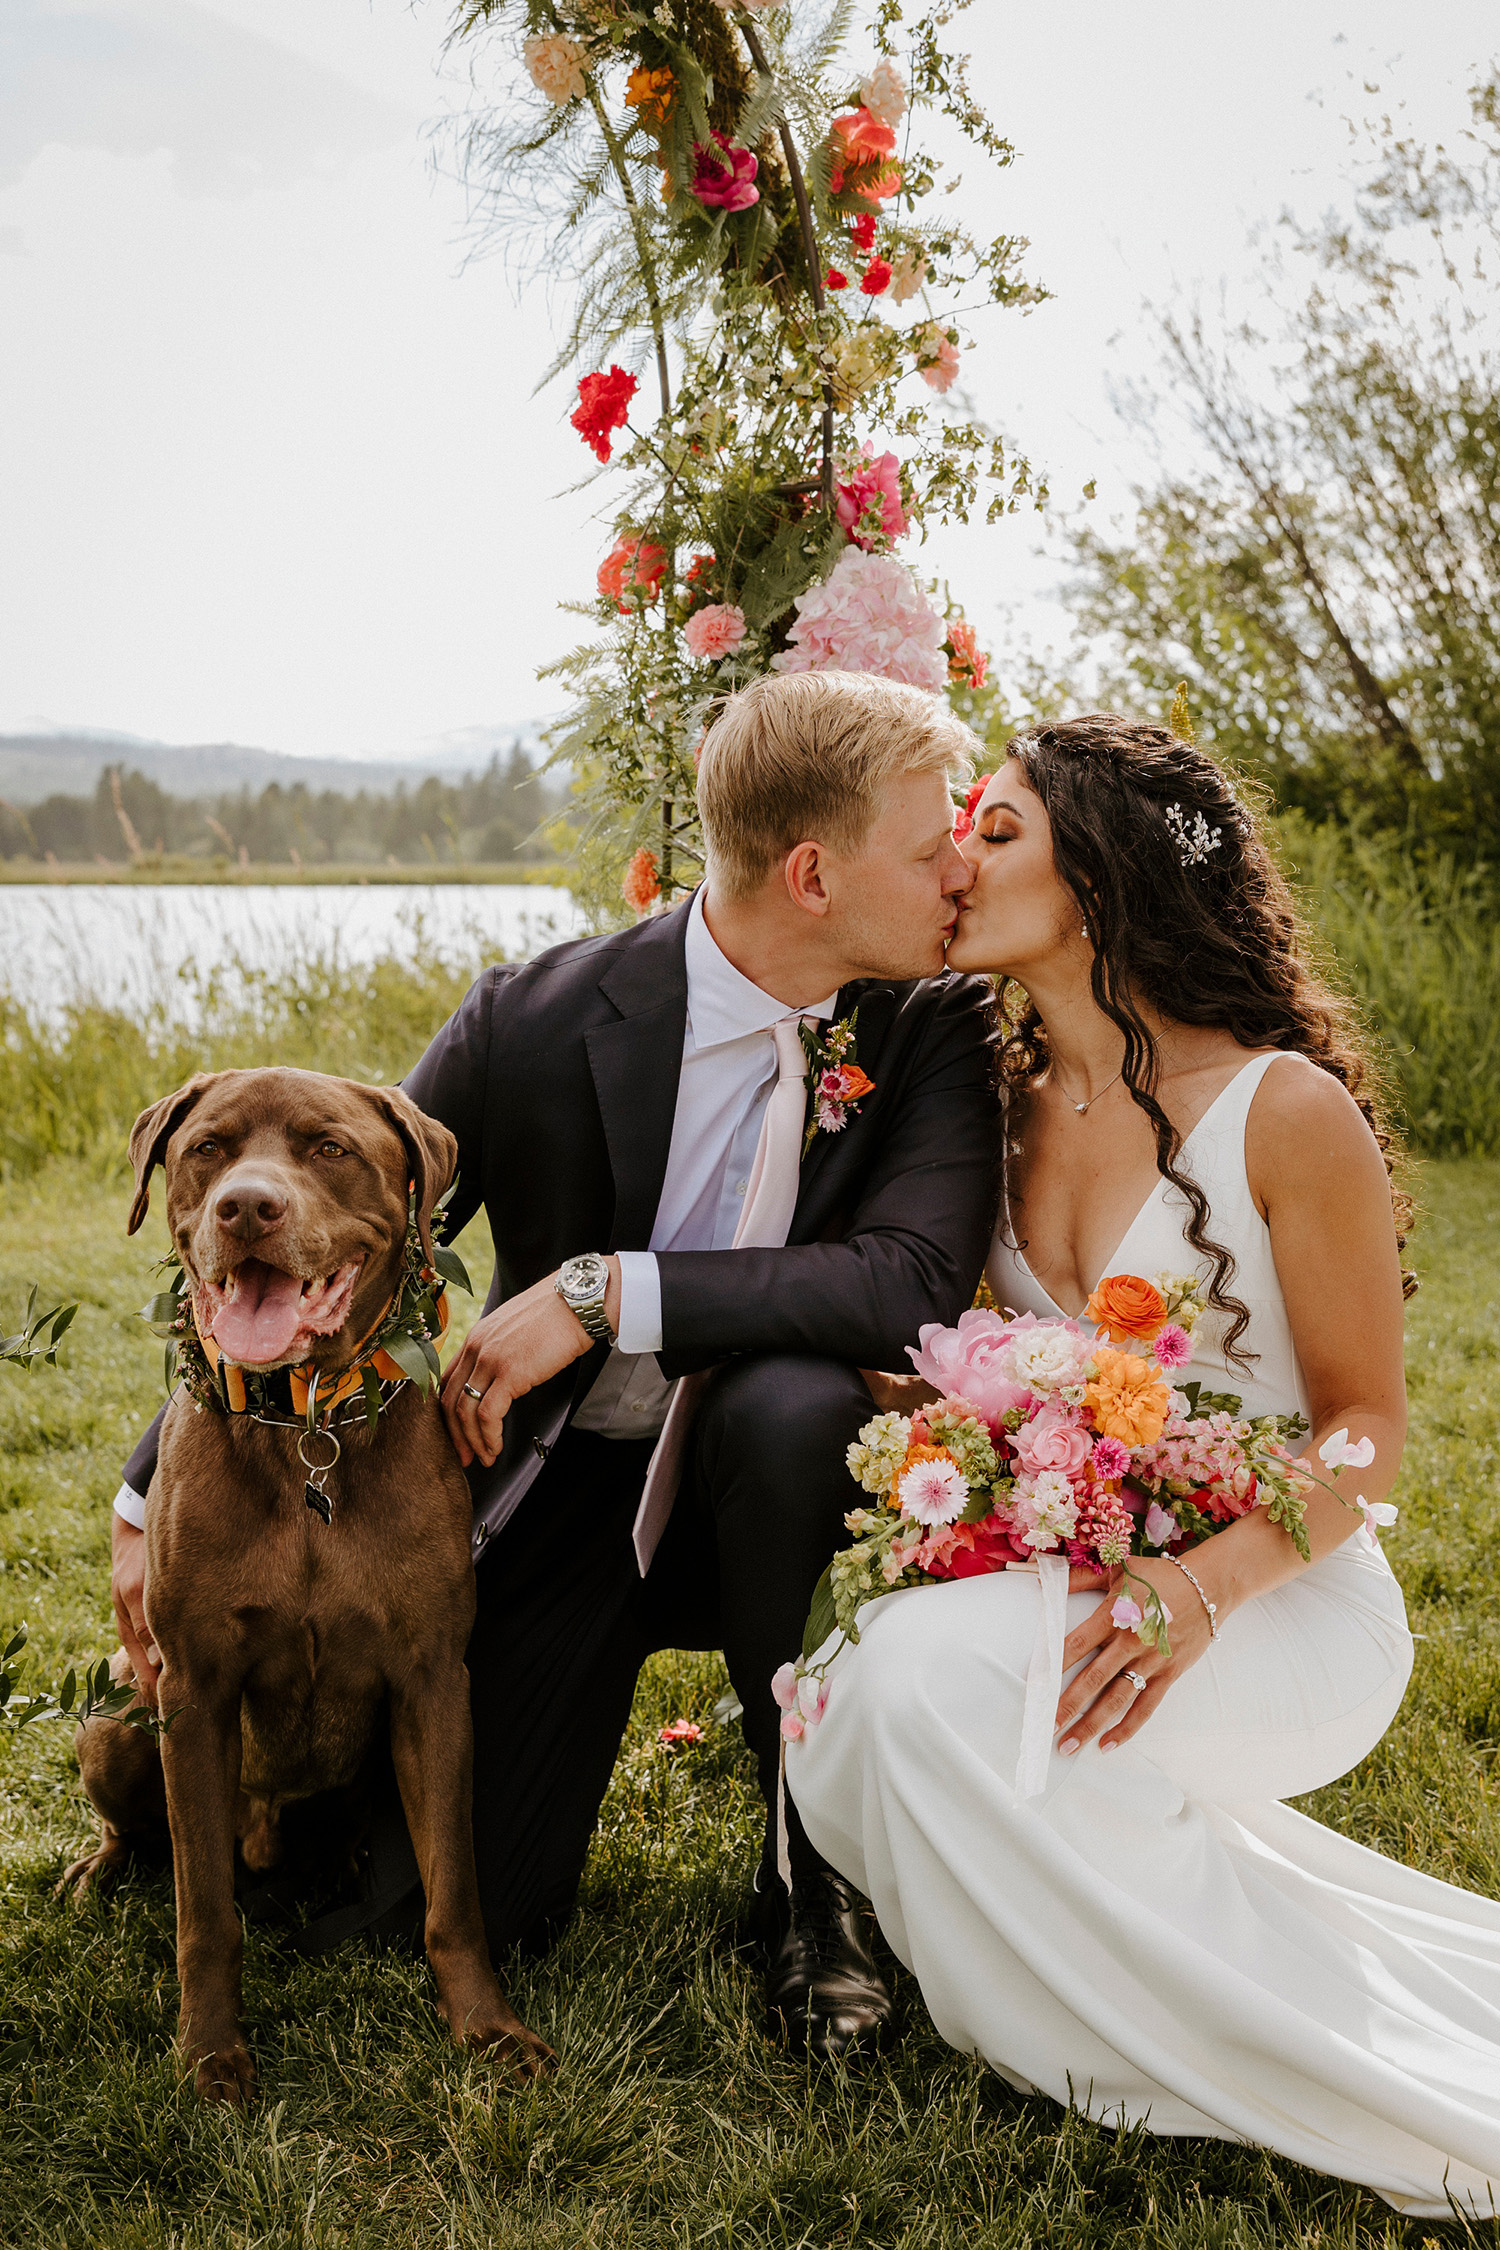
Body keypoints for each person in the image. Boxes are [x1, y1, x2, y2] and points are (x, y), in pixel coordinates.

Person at [107, 670, 1000, 2058]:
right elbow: (347, 1239)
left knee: (782, 1401)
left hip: (773, 1482)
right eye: (932, 837)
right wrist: (142, 1493)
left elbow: (910, 1278)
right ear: (815, 871)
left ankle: (803, 1881)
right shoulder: (533, 1016)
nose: (960, 862)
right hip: (571, 1487)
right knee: (473, 1896)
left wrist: (603, 1291)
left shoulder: (929, 1023)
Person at [788, 713, 1500, 2216]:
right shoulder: (985, 1090)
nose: (957, 862)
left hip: (1281, 1596)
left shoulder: (1283, 1110)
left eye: (998, 831)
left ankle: (1169, 2039)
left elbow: (1369, 1432)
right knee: (856, 1696)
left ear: (1102, 876)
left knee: (926, 1686)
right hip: (1082, 1564)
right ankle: (1092, 1981)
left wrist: (1204, 1579)